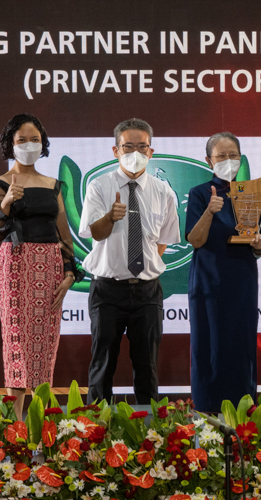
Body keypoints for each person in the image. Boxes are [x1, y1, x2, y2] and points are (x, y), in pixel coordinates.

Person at [0, 113, 78, 421]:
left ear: (43, 144)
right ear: (10, 145)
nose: (29, 145)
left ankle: (39, 427)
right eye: (22, 140)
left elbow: (65, 234)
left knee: (45, 344)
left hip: (49, 268)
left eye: (34, 139)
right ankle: (16, 427)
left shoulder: (53, 185)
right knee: (17, 343)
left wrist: (70, 273)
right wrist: (6, 202)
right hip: (15, 267)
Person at [79, 118, 180, 405]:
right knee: (102, 367)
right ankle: (94, 440)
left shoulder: (163, 192)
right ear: (115, 150)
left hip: (147, 292)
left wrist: (140, 267)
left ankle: (152, 441)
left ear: (151, 151)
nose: (134, 153)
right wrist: (110, 216)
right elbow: (96, 234)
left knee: (147, 369)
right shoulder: (99, 186)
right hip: (107, 290)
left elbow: (161, 243)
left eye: (141, 147)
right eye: (128, 147)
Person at [186, 132, 261, 412]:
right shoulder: (200, 193)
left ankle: (245, 414)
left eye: (233, 155)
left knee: (241, 348)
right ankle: (206, 414)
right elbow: (195, 241)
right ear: (208, 160)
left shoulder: (252, 195)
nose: (228, 160)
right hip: (208, 284)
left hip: (242, 283)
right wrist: (210, 212)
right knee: (208, 349)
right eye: (221, 156)